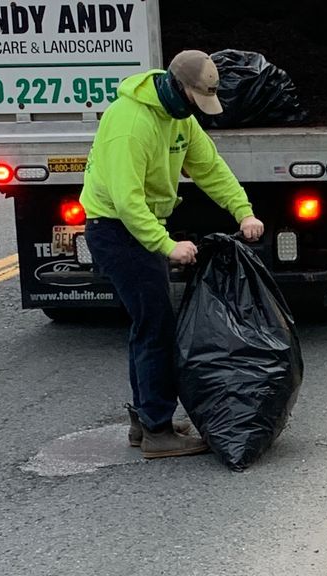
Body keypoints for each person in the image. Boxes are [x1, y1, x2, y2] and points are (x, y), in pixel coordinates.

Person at [81, 47, 265, 458]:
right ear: (177, 86)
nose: (197, 110)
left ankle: (146, 419)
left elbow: (209, 167)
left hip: (140, 227)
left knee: (149, 324)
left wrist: (244, 211)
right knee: (157, 327)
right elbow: (127, 202)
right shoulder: (131, 124)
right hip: (115, 229)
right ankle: (157, 432)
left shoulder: (180, 119)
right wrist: (166, 246)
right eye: (195, 100)